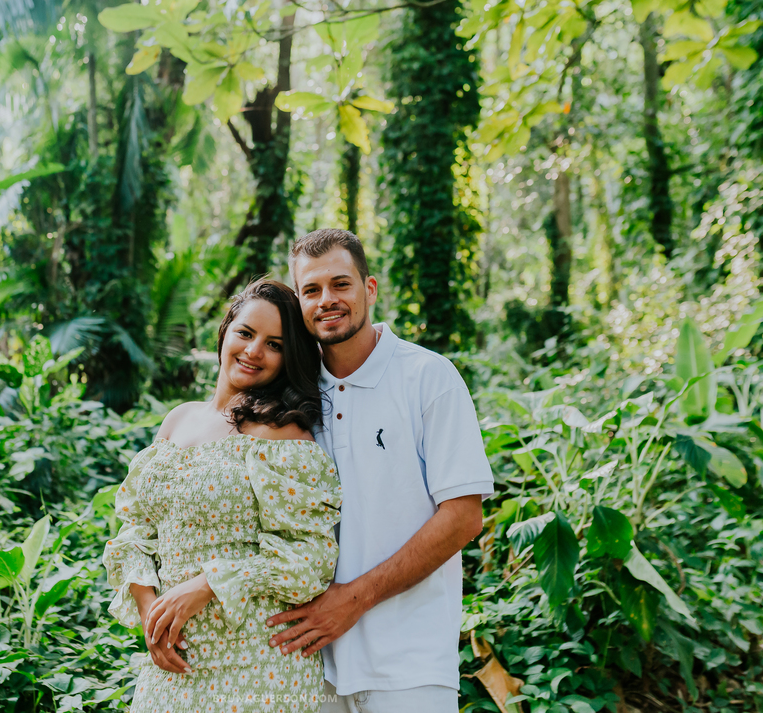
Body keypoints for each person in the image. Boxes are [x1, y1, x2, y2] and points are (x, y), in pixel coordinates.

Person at [268, 229, 494, 713]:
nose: (326, 300)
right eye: (311, 290)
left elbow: (463, 517)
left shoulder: (428, 377)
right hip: (309, 666)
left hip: (409, 667)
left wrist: (351, 600)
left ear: (369, 289)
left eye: (340, 284)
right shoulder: (295, 397)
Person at [102, 279, 343, 713]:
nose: (254, 351)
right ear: (226, 330)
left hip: (256, 666)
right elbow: (136, 530)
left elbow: (311, 558)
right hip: (172, 665)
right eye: (246, 333)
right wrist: (150, 615)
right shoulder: (178, 420)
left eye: (274, 344)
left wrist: (209, 583)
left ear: (288, 359)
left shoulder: (282, 436)